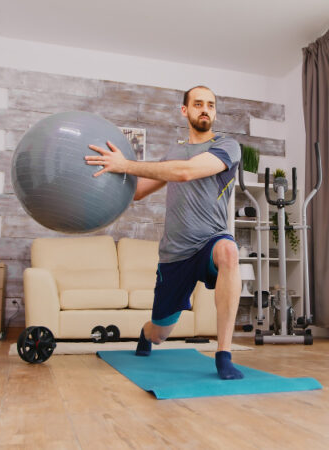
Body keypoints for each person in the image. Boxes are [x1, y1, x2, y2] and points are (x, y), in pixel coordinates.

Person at [85, 85, 244, 380]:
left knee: (229, 251)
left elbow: (185, 172)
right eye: (198, 104)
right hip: (175, 255)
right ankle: (146, 334)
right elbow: (138, 192)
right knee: (160, 333)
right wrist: (112, 169)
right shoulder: (173, 151)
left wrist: (128, 164)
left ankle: (224, 355)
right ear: (185, 111)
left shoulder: (227, 145)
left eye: (210, 104)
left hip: (210, 240)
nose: (205, 109)